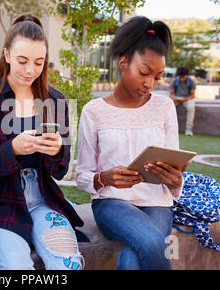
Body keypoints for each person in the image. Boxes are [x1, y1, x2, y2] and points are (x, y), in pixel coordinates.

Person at [76, 16, 191, 270]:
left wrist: (175, 180)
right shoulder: (93, 111)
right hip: (110, 203)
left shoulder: (164, 107)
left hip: (156, 203)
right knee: (152, 240)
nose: (150, 83)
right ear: (123, 62)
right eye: (143, 72)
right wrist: (103, 178)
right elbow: (81, 174)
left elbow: (175, 166)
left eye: (158, 77)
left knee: (131, 261)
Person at [0, 13, 85, 270]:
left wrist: (57, 150)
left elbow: (61, 169)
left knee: (68, 265)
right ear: (7, 55)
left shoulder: (55, 101)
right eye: (22, 60)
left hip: (45, 199)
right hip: (0, 202)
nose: (30, 70)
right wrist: (12, 149)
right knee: (15, 266)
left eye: (38, 62)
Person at [169, 66, 196, 136]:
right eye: (180, 77)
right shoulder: (175, 81)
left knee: (191, 107)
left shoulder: (191, 81)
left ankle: (188, 128)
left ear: (187, 75)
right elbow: (171, 94)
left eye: (183, 77)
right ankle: (169, 127)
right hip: (177, 98)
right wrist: (175, 98)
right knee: (168, 105)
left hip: (187, 98)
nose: (181, 79)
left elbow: (193, 95)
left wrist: (184, 99)